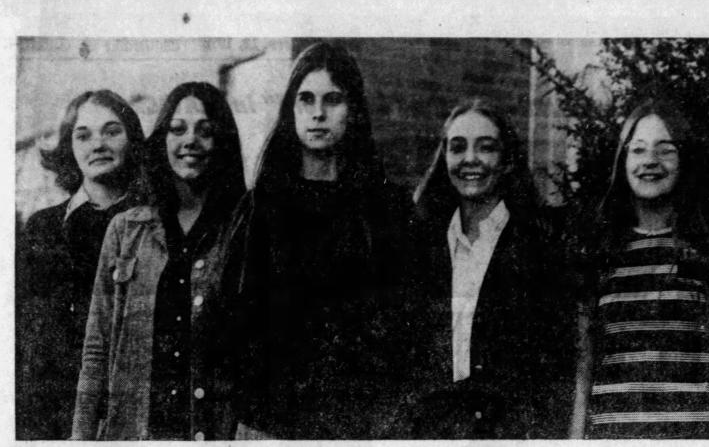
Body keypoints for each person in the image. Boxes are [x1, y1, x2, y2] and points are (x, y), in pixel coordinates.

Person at [222, 41, 412, 439]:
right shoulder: (260, 209)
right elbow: (232, 321)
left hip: (357, 426)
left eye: (333, 99)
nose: (318, 113)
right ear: (291, 110)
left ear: (354, 109)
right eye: (305, 99)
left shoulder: (387, 210)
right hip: (270, 424)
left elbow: (403, 324)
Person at [71, 82, 246, 440]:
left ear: (223, 142)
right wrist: (81, 437)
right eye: (177, 129)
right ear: (162, 140)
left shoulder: (246, 229)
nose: (190, 141)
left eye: (205, 131)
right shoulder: (125, 230)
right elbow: (96, 349)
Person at [575, 98, 709, 439]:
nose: (650, 161)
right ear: (623, 163)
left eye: (665, 150)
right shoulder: (596, 257)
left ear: (685, 160)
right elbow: (582, 374)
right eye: (638, 150)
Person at [406, 99, 576, 439]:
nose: (470, 159)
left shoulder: (539, 248)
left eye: (486, 148)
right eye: (458, 147)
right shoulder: (421, 247)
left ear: (507, 160)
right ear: (445, 159)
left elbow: (555, 369)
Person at [16, 90, 146, 440]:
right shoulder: (41, 229)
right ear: (68, 147)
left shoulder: (151, 228)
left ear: (132, 140)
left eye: (111, 131)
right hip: (52, 415)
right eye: (83, 134)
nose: (98, 144)